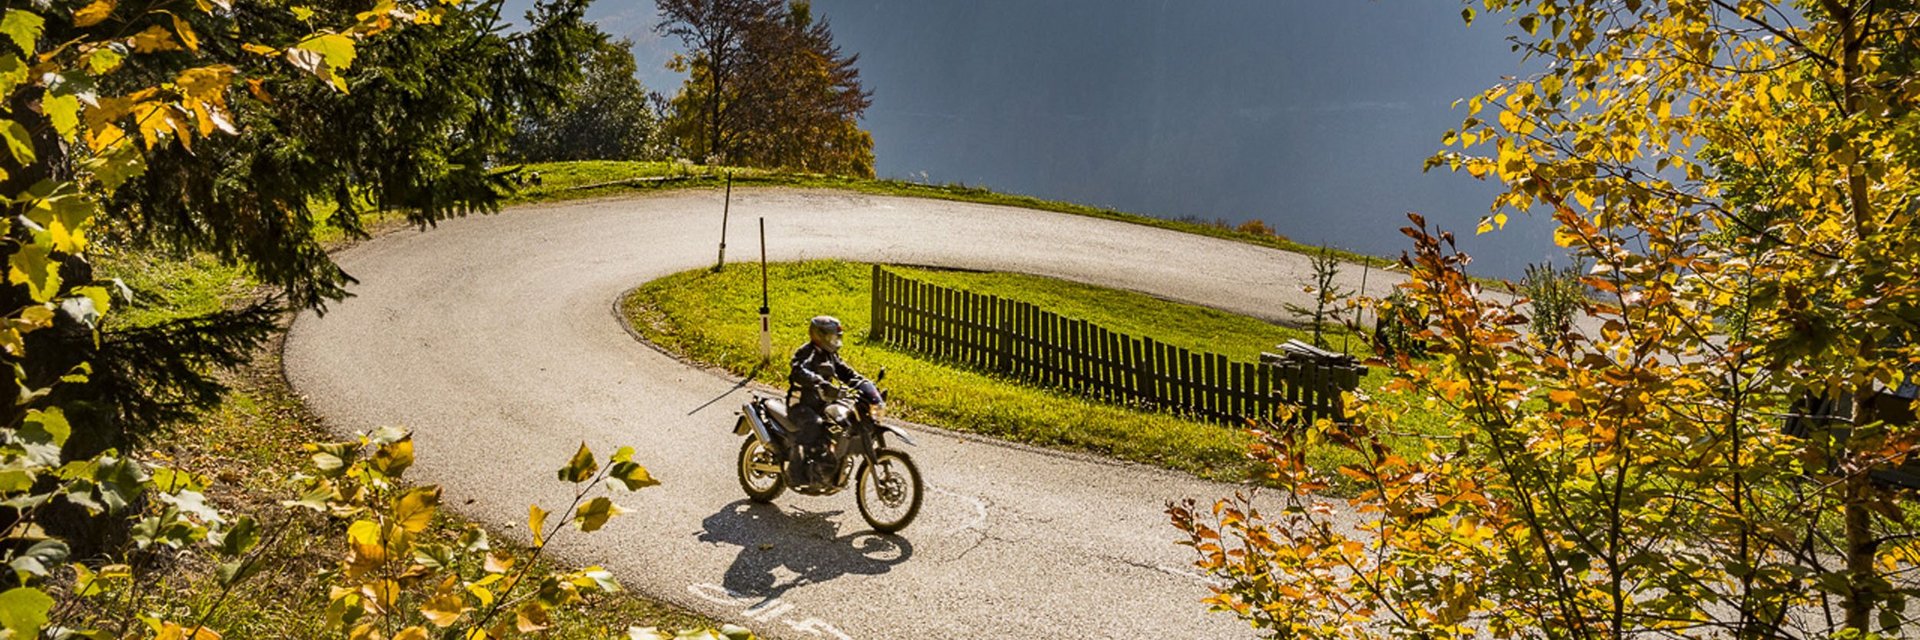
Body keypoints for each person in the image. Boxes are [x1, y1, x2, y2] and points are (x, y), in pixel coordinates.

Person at [786, 315, 877, 486]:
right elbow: (798, 370)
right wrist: (819, 382)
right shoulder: (806, 352)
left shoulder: (831, 355)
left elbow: (845, 372)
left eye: (837, 337)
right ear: (820, 336)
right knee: (814, 425)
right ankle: (795, 471)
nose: (835, 340)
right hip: (800, 405)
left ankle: (827, 466)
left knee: (842, 423)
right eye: (832, 336)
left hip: (821, 404)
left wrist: (864, 384)